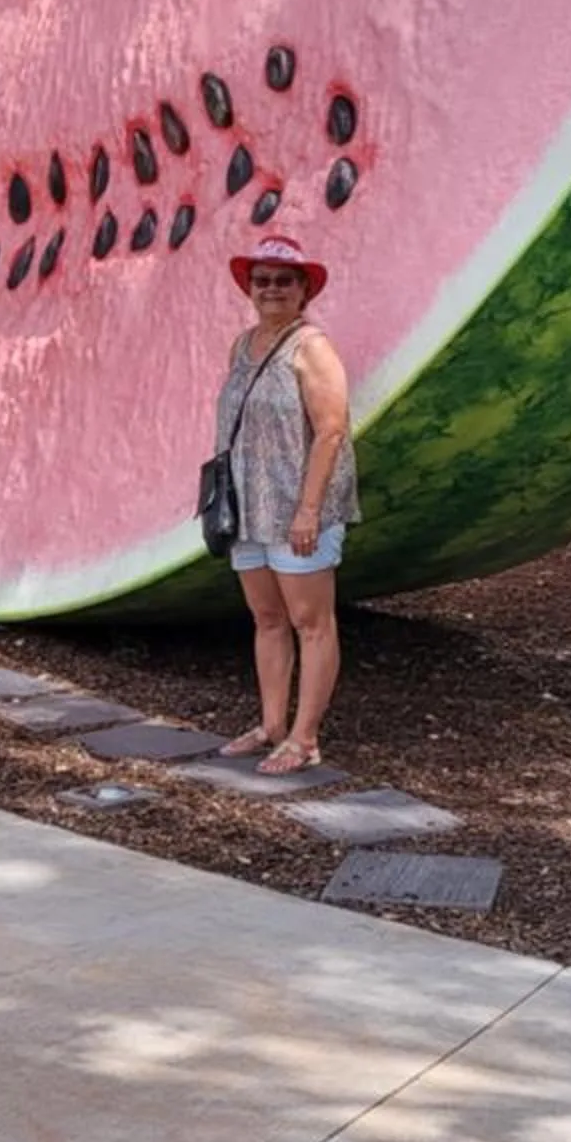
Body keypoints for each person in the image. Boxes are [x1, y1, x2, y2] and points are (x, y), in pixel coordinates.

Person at [211, 229, 359, 775]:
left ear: (304, 291)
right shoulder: (242, 345)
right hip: (249, 508)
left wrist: (309, 509)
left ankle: (305, 737)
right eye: (263, 281)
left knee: (310, 621)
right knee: (267, 618)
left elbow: (331, 431)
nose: (271, 289)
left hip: (298, 509)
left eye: (284, 282)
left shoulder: (311, 348)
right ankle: (272, 724)